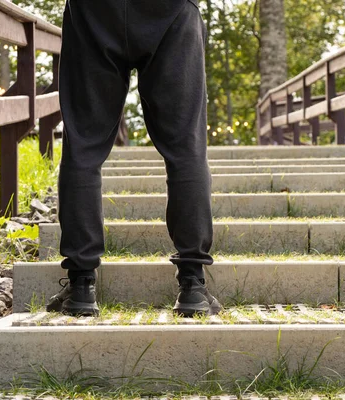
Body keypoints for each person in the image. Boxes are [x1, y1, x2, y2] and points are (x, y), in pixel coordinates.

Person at [46, 0, 222, 317]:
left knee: (83, 145)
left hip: (94, 11)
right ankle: (193, 285)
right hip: (172, 10)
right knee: (186, 146)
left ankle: (81, 284)